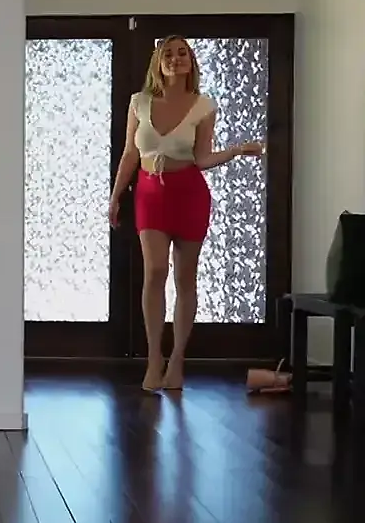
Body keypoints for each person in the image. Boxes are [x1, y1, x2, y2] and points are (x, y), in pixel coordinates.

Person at [107, 37, 265, 392]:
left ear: (191, 62)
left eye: (182, 53)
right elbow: (130, 154)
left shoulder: (203, 106)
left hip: (189, 194)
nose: (175, 59)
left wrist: (238, 150)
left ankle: (177, 359)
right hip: (149, 193)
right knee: (155, 271)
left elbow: (203, 158)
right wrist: (116, 196)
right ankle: (154, 357)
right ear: (157, 62)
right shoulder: (139, 103)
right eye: (168, 53)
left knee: (185, 278)